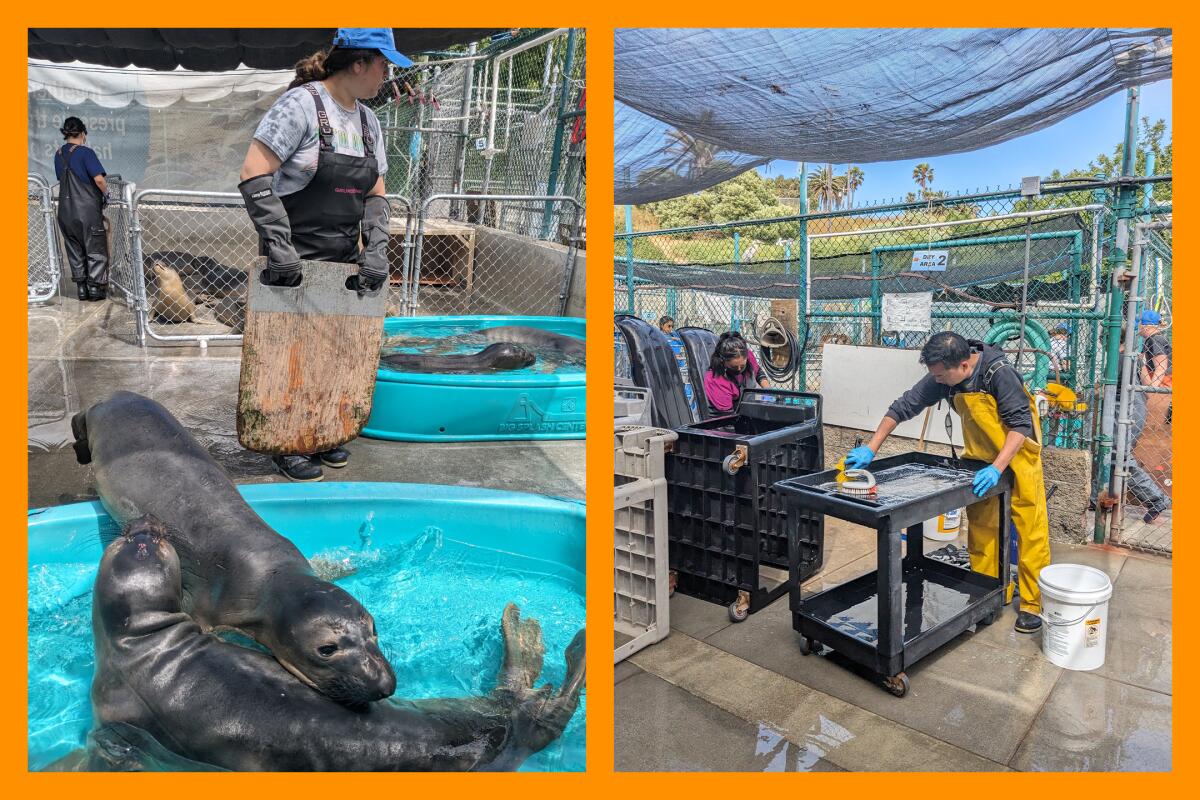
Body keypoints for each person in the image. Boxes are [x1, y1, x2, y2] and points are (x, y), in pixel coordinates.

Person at [238, 29, 410, 482]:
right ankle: (286, 440)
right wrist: (278, 247)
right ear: (359, 63)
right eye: (383, 64)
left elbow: (376, 194)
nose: (386, 75)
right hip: (293, 258)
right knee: (288, 355)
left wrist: (375, 251)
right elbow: (254, 172)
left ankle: (324, 431)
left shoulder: (370, 122)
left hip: (343, 258)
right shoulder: (302, 106)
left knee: (336, 352)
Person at [843, 331, 1051, 633]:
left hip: (1019, 456)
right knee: (983, 531)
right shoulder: (944, 375)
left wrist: (997, 468)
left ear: (964, 366)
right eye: (934, 375)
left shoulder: (999, 373)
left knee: (1031, 532)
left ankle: (1033, 603)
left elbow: (1020, 425)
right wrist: (872, 448)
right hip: (979, 460)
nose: (937, 381)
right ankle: (990, 595)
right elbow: (903, 406)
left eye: (941, 376)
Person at [53, 116, 109, 301]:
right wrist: (106, 193)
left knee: (74, 249)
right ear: (83, 133)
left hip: (65, 212)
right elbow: (99, 179)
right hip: (87, 211)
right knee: (94, 248)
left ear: (66, 134)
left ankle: (82, 290)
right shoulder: (86, 152)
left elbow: (63, 179)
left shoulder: (58, 154)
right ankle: (95, 289)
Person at [702, 332, 771, 415]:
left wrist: (768, 391)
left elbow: (758, 371)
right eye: (734, 367)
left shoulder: (747, 356)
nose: (739, 370)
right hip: (726, 419)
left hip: (747, 406)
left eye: (742, 366)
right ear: (722, 361)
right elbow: (728, 419)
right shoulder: (716, 379)